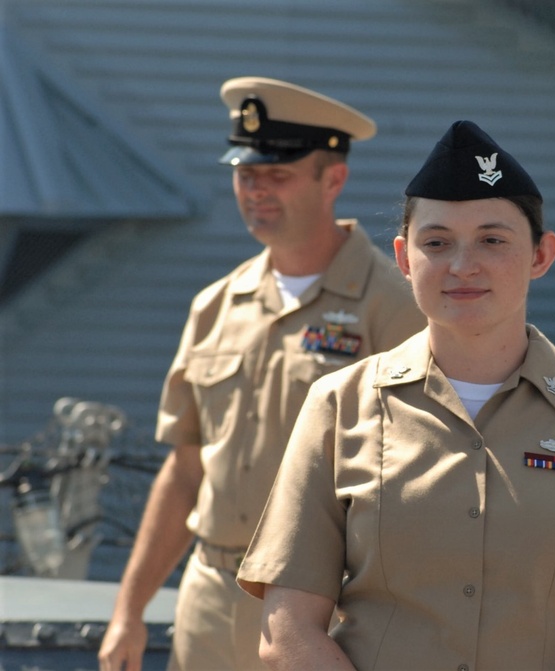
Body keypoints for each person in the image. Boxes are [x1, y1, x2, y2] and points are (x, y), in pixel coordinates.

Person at [235, 120, 555, 670]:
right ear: (403, 259)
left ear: (541, 255)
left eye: (493, 240)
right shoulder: (340, 407)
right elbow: (288, 630)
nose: (462, 265)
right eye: (437, 242)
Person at [98, 77, 425, 671]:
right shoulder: (216, 305)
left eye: (278, 175)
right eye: (245, 175)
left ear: (334, 179)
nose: (256, 191)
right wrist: (129, 609)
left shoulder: (395, 307)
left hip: (320, 607)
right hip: (207, 595)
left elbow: (425, 477)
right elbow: (185, 468)